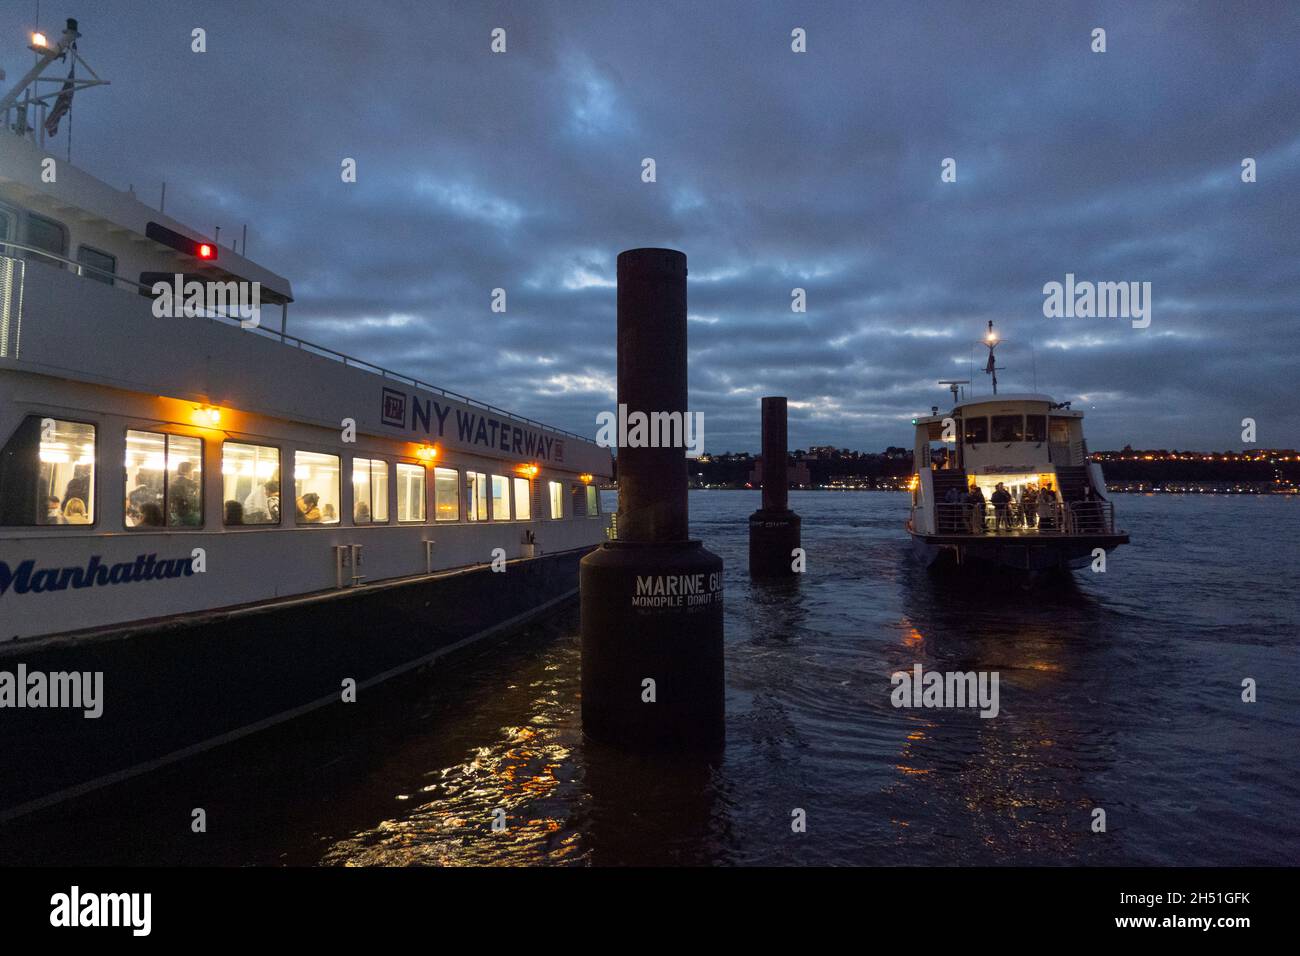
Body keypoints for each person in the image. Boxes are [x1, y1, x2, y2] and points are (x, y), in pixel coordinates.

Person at [169, 460, 200, 526]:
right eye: (192, 470)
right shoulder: (189, 483)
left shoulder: (173, 481)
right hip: (186, 513)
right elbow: (193, 499)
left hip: (175, 512)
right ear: (188, 471)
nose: (192, 473)